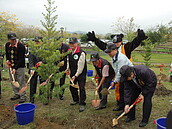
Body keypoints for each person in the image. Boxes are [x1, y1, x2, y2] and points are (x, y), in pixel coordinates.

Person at [104, 43, 133, 114]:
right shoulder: (114, 57)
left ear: (115, 50)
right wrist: (115, 79)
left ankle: (125, 110)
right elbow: (116, 70)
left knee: (125, 92)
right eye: (107, 52)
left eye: (109, 52)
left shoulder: (121, 59)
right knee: (120, 90)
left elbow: (120, 71)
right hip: (123, 75)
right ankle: (121, 106)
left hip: (129, 76)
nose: (108, 54)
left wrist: (115, 81)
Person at [66, 37, 87, 112]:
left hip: (81, 73)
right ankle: (75, 100)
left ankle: (82, 103)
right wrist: (67, 69)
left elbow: (80, 66)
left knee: (81, 88)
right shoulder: (69, 52)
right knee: (72, 86)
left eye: (73, 43)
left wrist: (76, 75)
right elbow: (68, 61)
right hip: (73, 72)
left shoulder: (81, 53)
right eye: (70, 43)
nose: (71, 45)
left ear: (76, 44)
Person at [5, 32, 26, 103]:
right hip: (11, 66)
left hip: (20, 67)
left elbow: (21, 59)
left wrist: (15, 68)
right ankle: (17, 94)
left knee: (21, 81)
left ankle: (23, 96)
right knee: (13, 81)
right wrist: (8, 60)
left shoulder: (21, 46)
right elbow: (7, 54)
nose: (13, 41)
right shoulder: (7, 45)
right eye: (12, 40)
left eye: (14, 39)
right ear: (8, 40)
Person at [28, 36, 44, 103]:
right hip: (34, 69)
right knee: (33, 83)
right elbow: (30, 60)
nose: (37, 43)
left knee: (42, 83)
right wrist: (32, 68)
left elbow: (47, 59)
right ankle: (32, 97)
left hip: (42, 69)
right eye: (36, 42)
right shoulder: (32, 50)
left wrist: (42, 62)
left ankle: (42, 96)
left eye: (38, 42)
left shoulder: (45, 49)